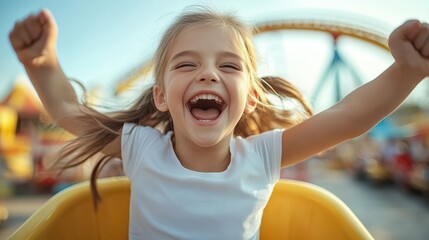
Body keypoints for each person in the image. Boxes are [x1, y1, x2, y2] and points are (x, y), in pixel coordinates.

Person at [8, 6, 429, 240]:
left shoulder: (262, 156)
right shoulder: (141, 148)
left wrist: (406, 71)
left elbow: (347, 118)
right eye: (187, 64)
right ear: (160, 96)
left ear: (251, 99)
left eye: (228, 66)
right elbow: (68, 110)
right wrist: (41, 63)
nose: (208, 74)